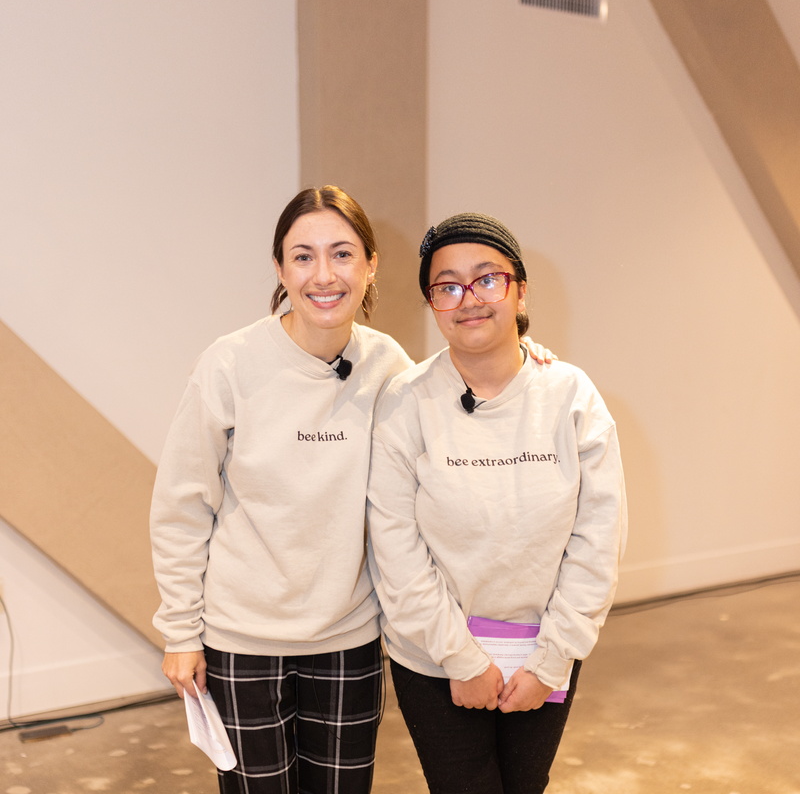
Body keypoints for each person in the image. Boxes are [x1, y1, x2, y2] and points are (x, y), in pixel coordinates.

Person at [150, 188, 555, 794]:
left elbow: (458, 396)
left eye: (341, 254)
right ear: (281, 269)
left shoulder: (386, 363)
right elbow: (182, 506)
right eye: (303, 256)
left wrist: (523, 359)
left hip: (351, 640)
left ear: (370, 265)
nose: (324, 275)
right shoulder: (229, 365)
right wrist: (181, 632)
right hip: (242, 643)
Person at [366, 213, 627, 794]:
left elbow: (598, 538)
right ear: (433, 303)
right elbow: (395, 550)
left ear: (520, 289)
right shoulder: (406, 404)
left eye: (488, 279)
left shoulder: (570, 396)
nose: (469, 299)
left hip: (544, 650)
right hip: (434, 658)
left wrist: (552, 660)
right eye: (448, 286)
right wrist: (460, 660)